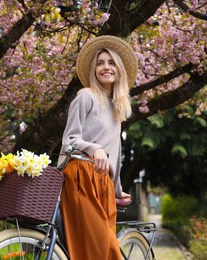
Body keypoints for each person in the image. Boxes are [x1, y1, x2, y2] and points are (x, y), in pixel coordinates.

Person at [58, 35, 138, 260]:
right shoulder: (85, 97)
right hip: (81, 177)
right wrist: (94, 148)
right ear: (94, 69)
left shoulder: (118, 108)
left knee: (100, 249)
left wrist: (118, 189)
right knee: (102, 248)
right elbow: (69, 140)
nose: (106, 67)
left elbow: (116, 154)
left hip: (103, 184)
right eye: (101, 63)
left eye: (111, 62)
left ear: (119, 69)